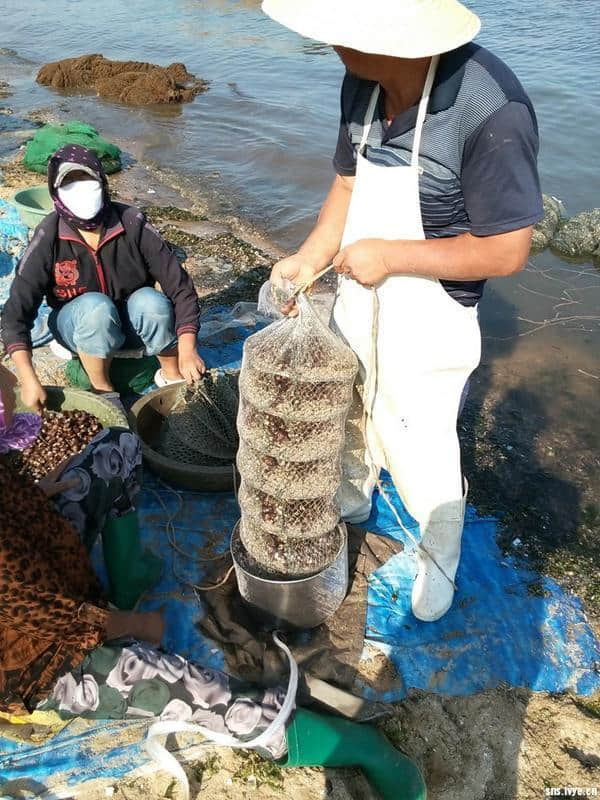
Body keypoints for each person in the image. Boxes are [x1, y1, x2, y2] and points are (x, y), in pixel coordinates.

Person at [0, 365, 426, 800]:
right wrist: (135, 625)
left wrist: (34, 495)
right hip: (32, 654)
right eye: (3, 380)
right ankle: (362, 749)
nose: (14, 382)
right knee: (209, 697)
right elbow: (39, 611)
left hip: (38, 559)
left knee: (115, 447)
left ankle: (127, 577)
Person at [263, 0, 543, 621]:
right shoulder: (363, 83)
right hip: (360, 289)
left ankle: (439, 550)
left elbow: (507, 249)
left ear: (400, 42)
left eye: (343, 36)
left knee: (419, 438)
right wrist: (310, 260)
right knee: (353, 401)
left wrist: (390, 256)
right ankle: (354, 496)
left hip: (432, 310)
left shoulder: (492, 111)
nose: (332, 46)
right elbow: (347, 184)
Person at [0, 145, 205, 414]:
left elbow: (181, 288)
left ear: (102, 180)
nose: (81, 190)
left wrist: (188, 348)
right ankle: (103, 390)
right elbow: (16, 313)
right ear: (55, 191)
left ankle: (169, 374)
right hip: (80, 327)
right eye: (69, 183)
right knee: (96, 308)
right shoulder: (49, 235)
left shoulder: (132, 222)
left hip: (133, 322)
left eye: (87, 179)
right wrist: (28, 378)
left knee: (151, 302)